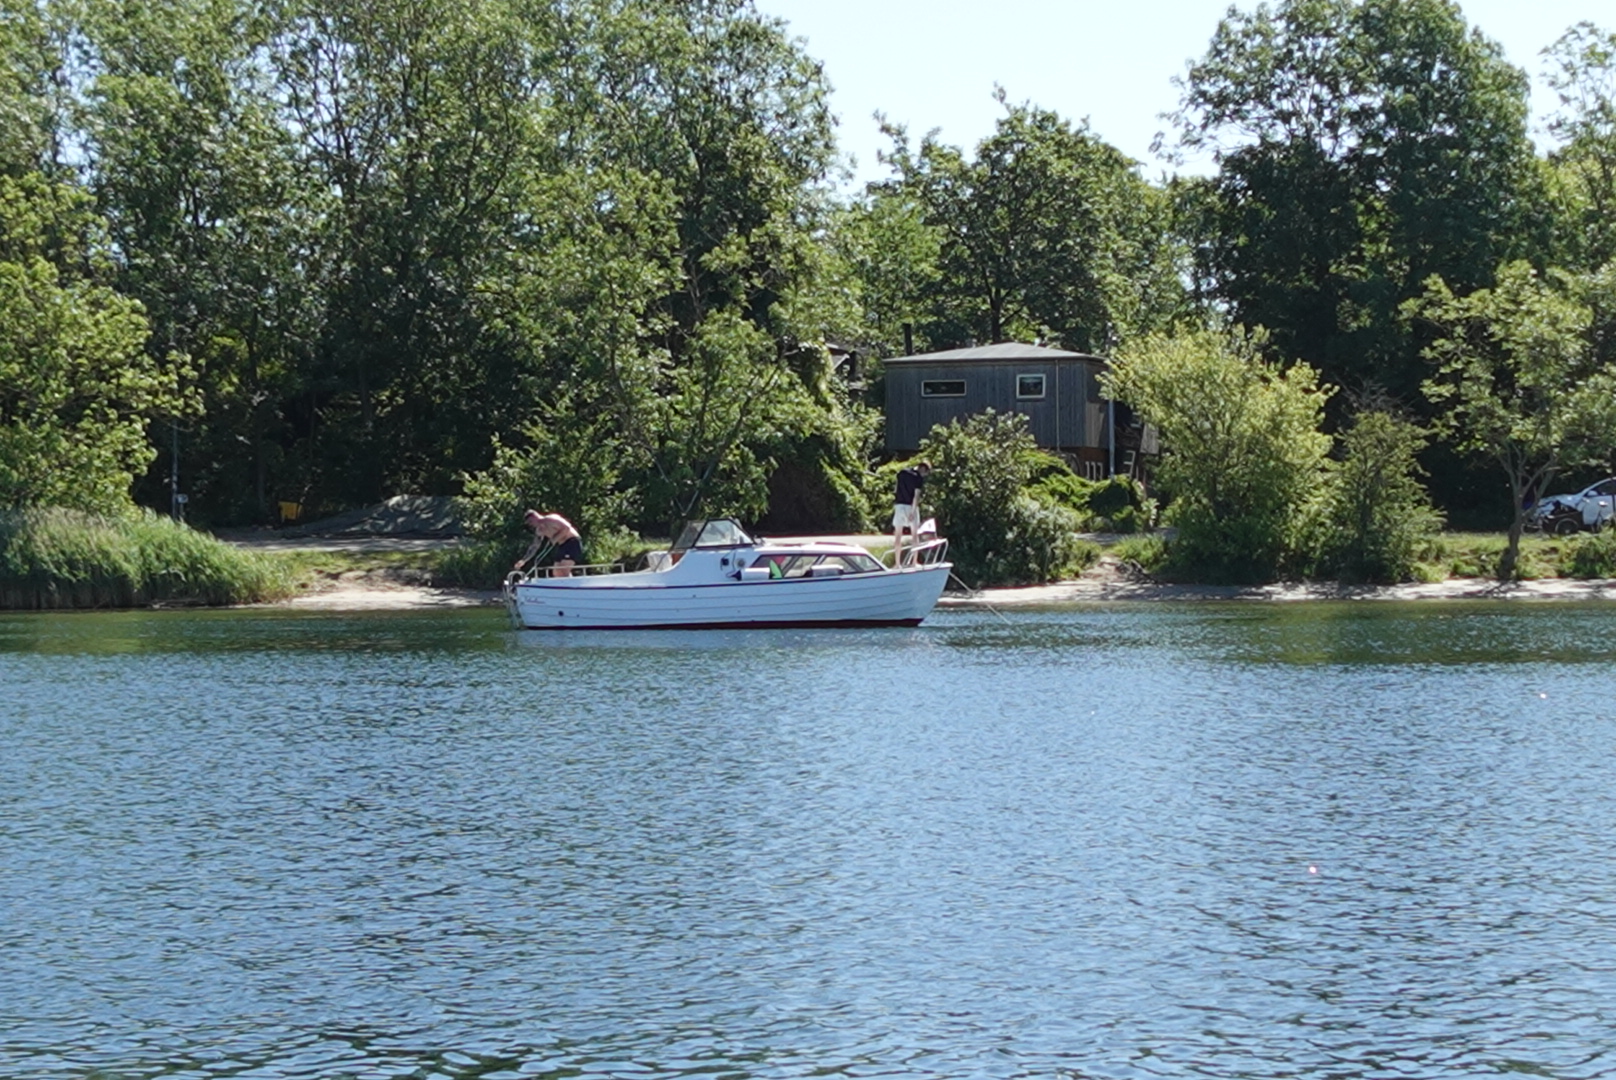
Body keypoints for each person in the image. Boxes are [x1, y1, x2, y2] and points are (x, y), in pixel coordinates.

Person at [515, 510, 582, 577]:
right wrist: (524, 560)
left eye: (531, 521)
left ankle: (571, 585)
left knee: (563, 570)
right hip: (562, 545)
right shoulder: (539, 530)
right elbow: (534, 546)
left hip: (572, 542)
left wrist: (554, 539)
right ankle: (566, 584)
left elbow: (567, 528)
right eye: (529, 523)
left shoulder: (551, 519)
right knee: (556, 572)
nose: (531, 524)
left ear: (535, 516)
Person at [891, 460, 931, 567]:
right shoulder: (918, 478)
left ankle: (897, 563)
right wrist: (913, 511)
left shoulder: (902, 473)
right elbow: (916, 496)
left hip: (899, 505)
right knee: (914, 535)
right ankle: (914, 562)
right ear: (923, 469)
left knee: (898, 535)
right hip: (910, 506)